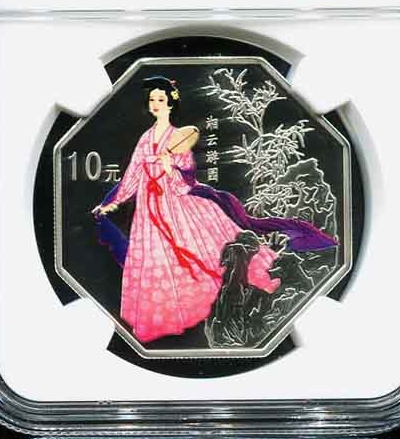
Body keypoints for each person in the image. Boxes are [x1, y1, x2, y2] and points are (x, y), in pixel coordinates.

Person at [92, 75, 336, 345]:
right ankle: (163, 316)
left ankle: (249, 279)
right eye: (152, 100)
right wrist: (115, 201)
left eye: (160, 99)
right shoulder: (145, 138)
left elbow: (186, 179)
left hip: (175, 202)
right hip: (149, 208)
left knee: (204, 247)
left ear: (171, 103)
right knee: (155, 258)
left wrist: (168, 168)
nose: (155, 104)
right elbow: (133, 174)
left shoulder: (178, 136)